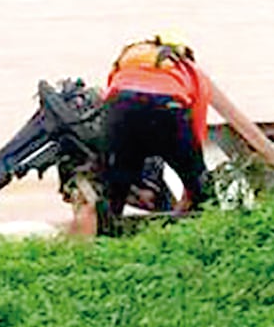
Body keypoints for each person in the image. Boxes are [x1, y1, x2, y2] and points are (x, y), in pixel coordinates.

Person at [80, 32, 216, 235]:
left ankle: (106, 241)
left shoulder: (127, 59)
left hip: (121, 109)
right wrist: (191, 184)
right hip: (167, 110)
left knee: (113, 191)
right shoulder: (191, 72)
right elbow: (197, 127)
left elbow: (111, 96)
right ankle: (207, 234)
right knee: (201, 188)